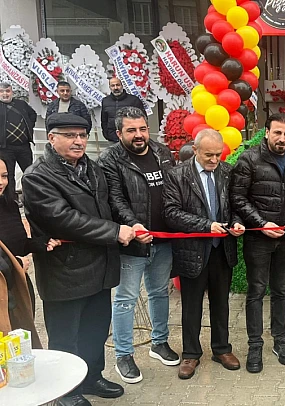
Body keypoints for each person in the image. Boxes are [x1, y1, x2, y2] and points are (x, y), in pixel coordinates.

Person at [22, 113, 135, 405]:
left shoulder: (91, 168)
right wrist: (114, 232)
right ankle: (66, 391)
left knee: (95, 328)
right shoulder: (37, 176)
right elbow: (64, 220)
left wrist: (132, 224)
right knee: (65, 335)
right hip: (66, 270)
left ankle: (92, 376)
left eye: (82, 135)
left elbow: (110, 204)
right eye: (70, 135)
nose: (78, 141)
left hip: (99, 266)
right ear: (51, 138)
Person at [97, 106, 179, 384]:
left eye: (143, 128)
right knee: (126, 299)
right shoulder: (110, 159)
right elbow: (115, 199)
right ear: (119, 133)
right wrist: (133, 225)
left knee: (159, 293)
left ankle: (160, 342)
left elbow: (173, 190)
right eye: (131, 130)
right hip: (132, 243)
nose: (139, 134)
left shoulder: (161, 152)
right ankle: (124, 355)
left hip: (163, 239)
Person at [230, 113, 285, 373]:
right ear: (266, 132)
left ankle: (280, 340)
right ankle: (255, 345)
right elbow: (238, 198)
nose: (282, 139)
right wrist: (262, 224)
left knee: (280, 291)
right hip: (258, 239)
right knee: (256, 291)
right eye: (277, 133)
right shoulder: (249, 159)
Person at [163, 129, 244, 380]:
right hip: (193, 250)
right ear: (195, 150)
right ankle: (190, 353)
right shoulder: (177, 175)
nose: (214, 160)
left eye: (218, 154)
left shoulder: (228, 172)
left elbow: (236, 204)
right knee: (191, 305)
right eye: (209, 155)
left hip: (222, 249)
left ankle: (222, 349)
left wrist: (237, 222)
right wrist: (206, 225)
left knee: (221, 303)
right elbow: (171, 213)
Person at [0, 157, 56, 345]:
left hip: (18, 283)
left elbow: (19, 244)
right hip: (3, 285)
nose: (1, 182)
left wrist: (41, 243)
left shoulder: (9, 205)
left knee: (23, 343)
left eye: (4, 176)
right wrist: (14, 263)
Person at [0, 82, 37, 202]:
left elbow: (33, 115)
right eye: (2, 91)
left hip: (24, 146)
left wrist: (29, 127)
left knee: (29, 173)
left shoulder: (21, 104)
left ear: (12, 92)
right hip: (5, 148)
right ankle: (12, 201)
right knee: (9, 175)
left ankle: (31, 198)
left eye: (7, 91)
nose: (5, 94)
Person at [101, 77, 145, 143]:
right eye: (112, 86)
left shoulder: (134, 100)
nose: (115, 88)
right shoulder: (105, 101)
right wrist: (106, 134)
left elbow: (142, 119)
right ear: (109, 87)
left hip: (131, 138)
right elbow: (104, 120)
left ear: (122, 85)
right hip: (112, 138)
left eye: (118, 85)